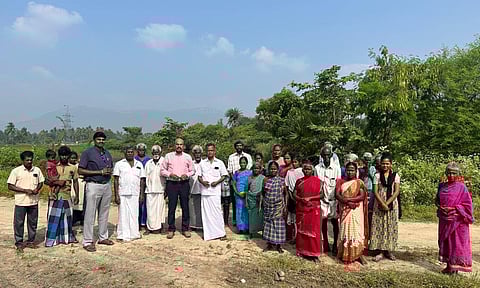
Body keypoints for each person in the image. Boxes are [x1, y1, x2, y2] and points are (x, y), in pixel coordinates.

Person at [78, 131, 115, 252]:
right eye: (99, 139)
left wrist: (108, 172)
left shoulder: (107, 153)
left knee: (104, 213)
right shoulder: (88, 153)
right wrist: (99, 172)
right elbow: (81, 170)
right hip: (93, 185)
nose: (101, 141)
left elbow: (110, 167)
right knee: (90, 214)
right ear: (94, 140)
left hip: (106, 185)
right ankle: (87, 241)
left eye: (103, 140)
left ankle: (103, 237)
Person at [436, 162, 474, 274]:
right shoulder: (442, 186)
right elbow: (437, 200)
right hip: (445, 220)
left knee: (457, 244)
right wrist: (441, 207)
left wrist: (455, 209)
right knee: (446, 242)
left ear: (458, 174)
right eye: (449, 173)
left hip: (458, 221)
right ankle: (449, 266)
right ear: (445, 173)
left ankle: (456, 268)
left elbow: (468, 205)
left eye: (454, 173)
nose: (451, 175)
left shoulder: (462, 188)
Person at [7, 151, 44, 251]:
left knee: (33, 222)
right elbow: (10, 186)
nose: (29, 161)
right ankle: (19, 242)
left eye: (31, 159)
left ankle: (31, 241)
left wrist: (37, 189)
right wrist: (24, 190)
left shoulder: (37, 170)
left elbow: (41, 182)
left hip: (33, 202)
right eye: (27, 160)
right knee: (19, 223)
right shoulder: (16, 171)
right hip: (21, 202)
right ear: (22, 160)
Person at [45, 146, 80, 247]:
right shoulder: (53, 166)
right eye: (62, 155)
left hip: (67, 196)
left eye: (66, 155)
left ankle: (66, 238)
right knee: (53, 218)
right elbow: (46, 180)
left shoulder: (73, 168)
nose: (64, 157)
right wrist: (57, 182)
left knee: (67, 217)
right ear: (59, 156)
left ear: (69, 156)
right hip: (54, 196)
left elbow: (76, 182)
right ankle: (52, 240)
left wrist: (77, 195)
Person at [161, 138, 194, 239]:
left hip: (184, 183)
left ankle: (185, 228)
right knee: (172, 207)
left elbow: (193, 170)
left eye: (181, 144)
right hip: (172, 184)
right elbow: (162, 170)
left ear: (183, 146)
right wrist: (170, 174)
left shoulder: (188, 157)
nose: (179, 146)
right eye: (177, 144)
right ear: (174, 145)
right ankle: (171, 229)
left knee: (185, 206)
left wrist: (187, 175)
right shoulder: (168, 156)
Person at [336, 161, 368, 265]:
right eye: (348, 170)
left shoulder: (359, 182)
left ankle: (358, 254)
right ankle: (344, 254)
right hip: (345, 209)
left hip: (356, 210)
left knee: (357, 231)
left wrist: (351, 201)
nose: (350, 172)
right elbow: (337, 195)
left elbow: (362, 196)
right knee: (346, 231)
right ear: (345, 171)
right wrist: (348, 202)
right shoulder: (340, 182)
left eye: (352, 170)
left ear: (356, 171)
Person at [370, 152, 400, 261]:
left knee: (390, 226)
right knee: (380, 226)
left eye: (387, 164)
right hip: (379, 204)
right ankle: (380, 251)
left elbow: (396, 191)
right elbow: (375, 191)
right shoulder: (377, 176)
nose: (385, 166)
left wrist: (387, 203)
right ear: (380, 164)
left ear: (391, 164)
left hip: (392, 204)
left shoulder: (395, 176)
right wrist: (382, 203)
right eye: (383, 163)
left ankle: (389, 251)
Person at [113, 146, 146, 242]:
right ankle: (123, 234)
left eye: (132, 152)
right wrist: (116, 195)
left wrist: (141, 195)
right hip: (123, 193)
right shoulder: (119, 164)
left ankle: (134, 233)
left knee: (134, 214)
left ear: (134, 153)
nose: (130, 153)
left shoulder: (139, 164)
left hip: (135, 193)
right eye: (128, 152)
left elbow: (142, 180)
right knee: (123, 214)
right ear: (125, 153)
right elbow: (115, 180)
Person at [198, 143, 228, 241]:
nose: (210, 152)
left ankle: (221, 233)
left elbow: (224, 175)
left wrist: (217, 182)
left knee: (217, 213)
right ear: (206, 152)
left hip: (215, 192)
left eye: (211, 150)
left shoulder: (219, 162)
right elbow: (199, 177)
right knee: (206, 214)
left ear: (214, 151)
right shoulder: (202, 163)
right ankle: (209, 235)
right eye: (208, 150)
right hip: (205, 192)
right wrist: (203, 182)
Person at [315, 145, 341, 255]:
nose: (326, 157)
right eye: (324, 155)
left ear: (331, 155)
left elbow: (338, 185)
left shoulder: (336, 168)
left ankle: (335, 244)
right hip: (322, 201)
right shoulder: (317, 168)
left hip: (334, 200)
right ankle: (325, 245)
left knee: (335, 223)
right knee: (323, 224)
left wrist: (338, 199)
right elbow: (317, 185)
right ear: (321, 156)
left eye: (328, 155)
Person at [295, 160, 323, 261]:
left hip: (313, 209)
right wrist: (300, 199)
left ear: (312, 170)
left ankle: (314, 253)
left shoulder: (318, 181)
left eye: (309, 169)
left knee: (314, 231)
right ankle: (302, 251)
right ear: (302, 170)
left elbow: (322, 195)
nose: (307, 171)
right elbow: (295, 194)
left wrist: (310, 198)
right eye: (305, 169)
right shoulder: (299, 181)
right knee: (302, 231)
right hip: (301, 209)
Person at [262, 161, 286, 253]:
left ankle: (279, 246)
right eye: (271, 169)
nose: (273, 170)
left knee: (278, 225)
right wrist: (264, 203)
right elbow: (263, 193)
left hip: (278, 206)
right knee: (268, 225)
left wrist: (285, 206)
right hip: (268, 206)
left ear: (278, 170)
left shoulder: (281, 180)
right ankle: (269, 244)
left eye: (275, 169)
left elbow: (285, 194)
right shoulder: (266, 180)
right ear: (268, 170)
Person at [227, 140, 253, 226]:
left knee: (246, 204)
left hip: (246, 184)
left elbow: (250, 169)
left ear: (243, 146)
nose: (239, 147)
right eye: (237, 146)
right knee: (235, 204)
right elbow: (230, 170)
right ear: (235, 147)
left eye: (240, 145)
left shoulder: (248, 156)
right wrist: (234, 181)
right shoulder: (231, 157)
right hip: (235, 181)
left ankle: (247, 223)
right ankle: (236, 221)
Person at [144, 145, 167, 234]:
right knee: (150, 210)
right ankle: (149, 228)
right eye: (154, 152)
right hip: (150, 190)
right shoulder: (148, 163)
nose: (156, 154)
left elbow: (167, 177)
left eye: (157, 152)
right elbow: (145, 177)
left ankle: (161, 227)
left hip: (161, 189)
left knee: (160, 210)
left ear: (160, 153)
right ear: (152, 153)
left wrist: (166, 190)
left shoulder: (164, 162)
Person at [285, 153, 304, 243]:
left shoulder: (302, 171)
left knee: (301, 219)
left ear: (300, 162)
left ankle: (300, 237)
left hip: (302, 197)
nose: (294, 163)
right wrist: (291, 197)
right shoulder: (289, 172)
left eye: (296, 162)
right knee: (293, 219)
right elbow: (287, 185)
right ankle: (294, 236)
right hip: (292, 197)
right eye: (293, 162)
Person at [233, 157, 252, 234]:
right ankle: (240, 228)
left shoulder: (250, 172)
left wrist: (247, 193)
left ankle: (247, 228)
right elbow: (233, 183)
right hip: (238, 195)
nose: (242, 164)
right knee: (239, 211)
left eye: (244, 163)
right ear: (239, 163)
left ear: (247, 163)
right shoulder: (237, 172)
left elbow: (251, 183)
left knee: (247, 210)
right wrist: (237, 193)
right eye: (241, 163)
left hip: (247, 194)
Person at [247, 162, 265, 237]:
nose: (256, 170)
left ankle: (262, 232)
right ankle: (251, 232)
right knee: (252, 216)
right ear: (252, 169)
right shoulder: (249, 178)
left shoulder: (263, 178)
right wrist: (246, 201)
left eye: (258, 168)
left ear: (260, 169)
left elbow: (264, 190)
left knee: (261, 216)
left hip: (260, 198)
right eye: (254, 168)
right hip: (251, 199)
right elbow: (247, 190)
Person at [135, 143, 151, 230]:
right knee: (137, 204)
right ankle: (136, 222)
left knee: (145, 205)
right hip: (136, 184)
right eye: (139, 150)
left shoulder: (149, 160)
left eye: (143, 150)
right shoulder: (134, 159)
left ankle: (144, 223)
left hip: (147, 185)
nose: (141, 151)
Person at [69, 151, 86, 226]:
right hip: (72, 184)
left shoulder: (79, 166)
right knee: (73, 202)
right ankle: (74, 219)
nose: (73, 160)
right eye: (71, 158)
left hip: (81, 184)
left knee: (81, 202)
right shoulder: (68, 166)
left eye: (74, 158)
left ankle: (82, 218)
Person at [189, 145, 204, 230]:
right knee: (192, 208)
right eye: (195, 153)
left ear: (201, 154)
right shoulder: (190, 163)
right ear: (193, 154)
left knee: (202, 208)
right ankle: (193, 225)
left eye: (199, 153)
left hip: (203, 189)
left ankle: (202, 225)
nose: (197, 155)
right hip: (192, 189)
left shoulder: (205, 163)